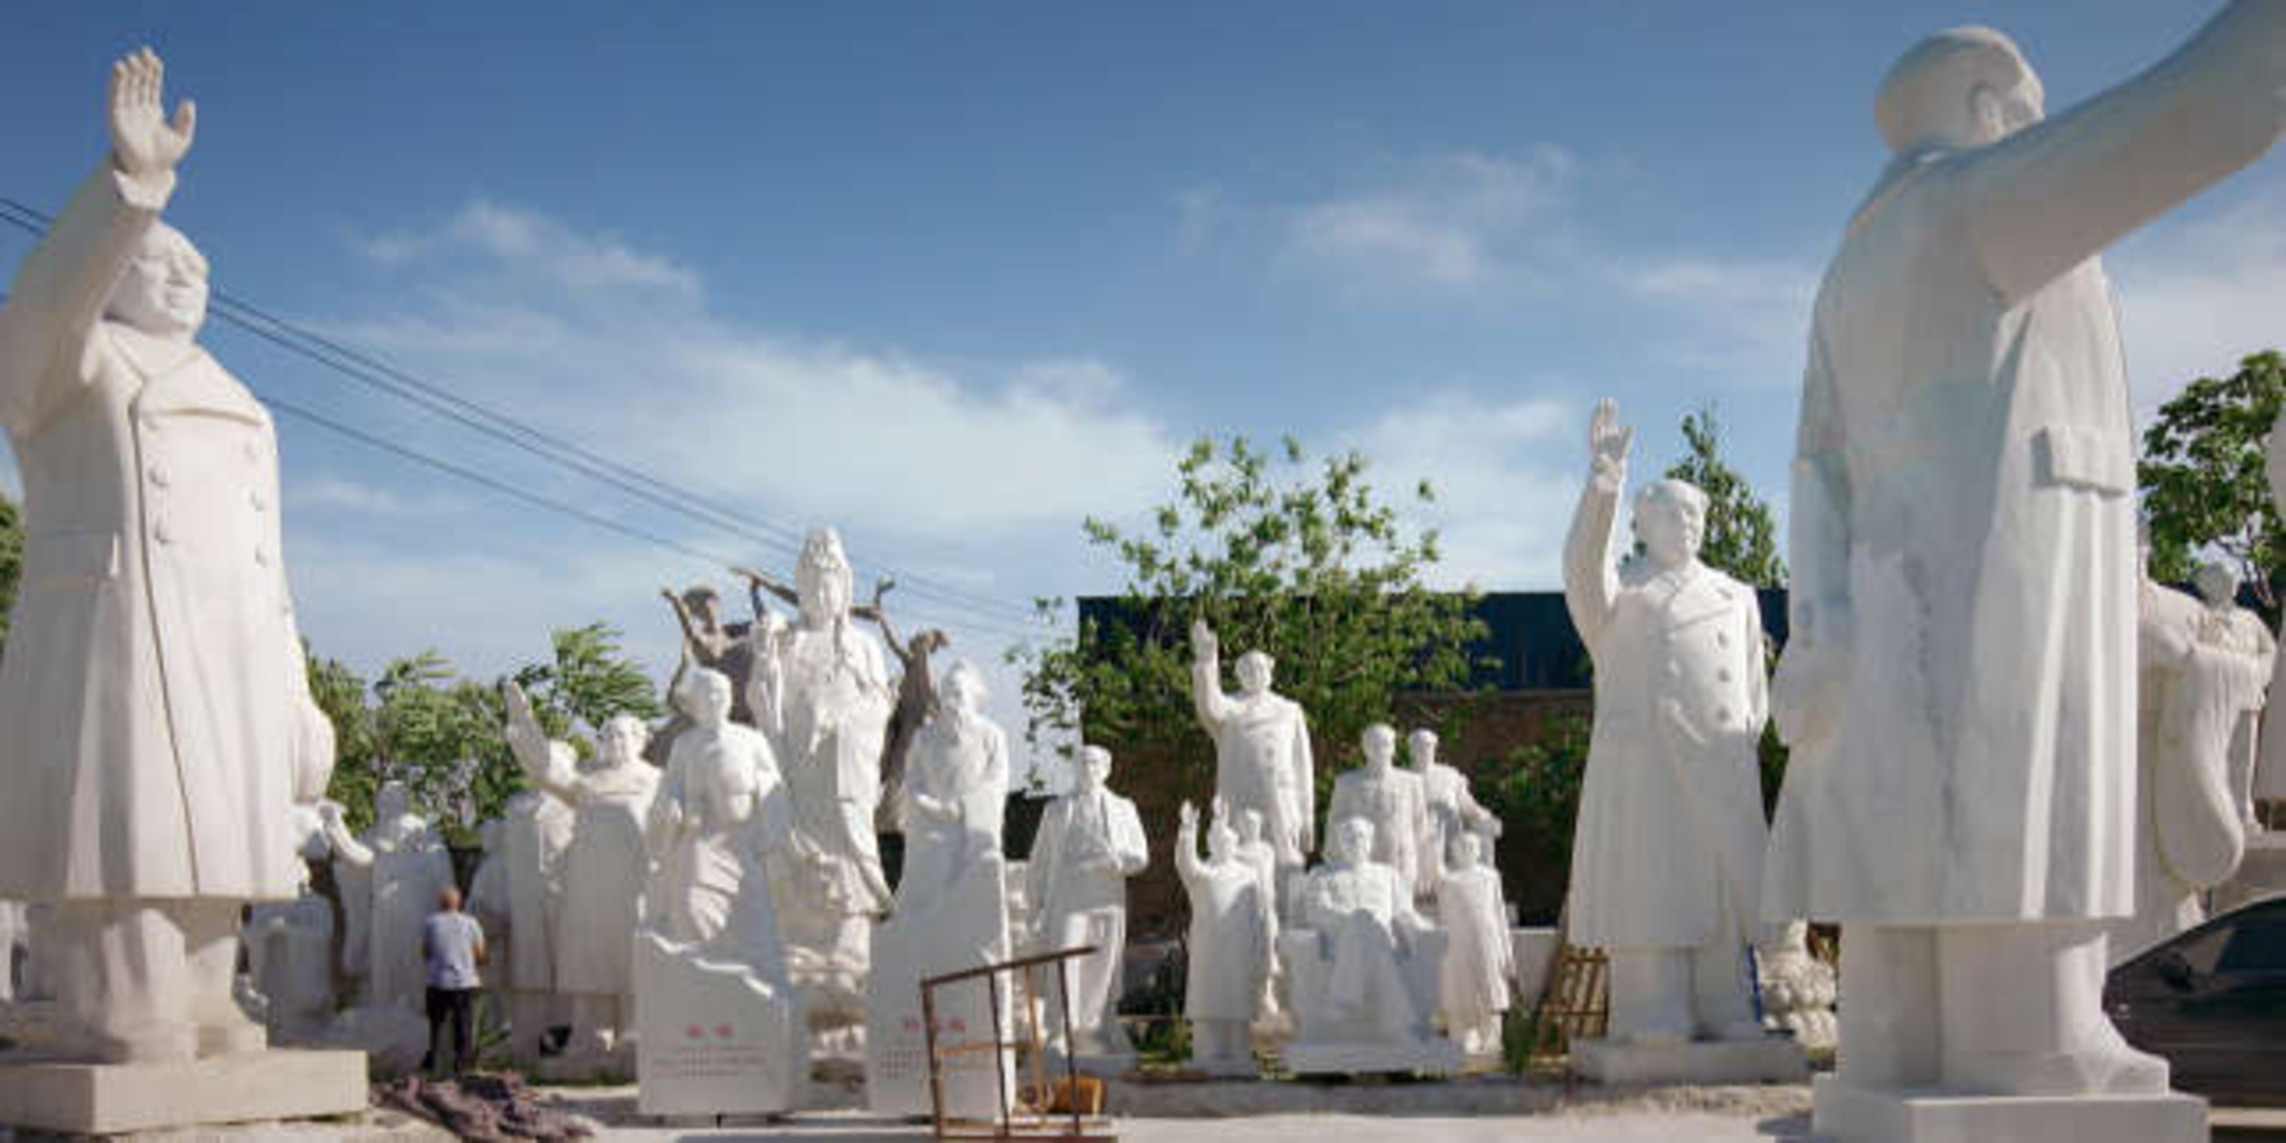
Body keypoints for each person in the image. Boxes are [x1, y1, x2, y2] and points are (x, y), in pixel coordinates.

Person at [1764, 7, 2286, 1102]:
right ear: (1985, 105)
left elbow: (1814, 467)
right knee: (2023, 784)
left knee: (1919, 810)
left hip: (1902, 582)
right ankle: (2027, 1039)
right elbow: (2206, 107)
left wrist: (1823, 615)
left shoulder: (1849, 270)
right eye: (2031, 112)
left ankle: (1896, 1042)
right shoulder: (1975, 202)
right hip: (2013, 560)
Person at [0, 48, 336, 1064]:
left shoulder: (247, 406)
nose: (188, 277)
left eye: (201, 270)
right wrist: (132, 188)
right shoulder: (73, 368)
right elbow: (42, 303)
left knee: (217, 833)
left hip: (234, 641)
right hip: (120, 623)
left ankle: (202, 993)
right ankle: (118, 1004)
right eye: (162, 262)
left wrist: (296, 690)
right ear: (113, 276)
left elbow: (273, 570)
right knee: (128, 827)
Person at [1563, 401, 1770, 1047]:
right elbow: (1581, 571)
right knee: (1653, 883)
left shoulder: (1736, 597)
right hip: (1647, 762)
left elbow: (1754, 694)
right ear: (1642, 523)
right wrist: (1603, 485)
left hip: (1718, 761)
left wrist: (1733, 752)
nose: (1688, 524)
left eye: (1695, 514)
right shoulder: (1621, 591)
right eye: (1672, 514)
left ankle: (1725, 1002)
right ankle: (1653, 1007)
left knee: (1720, 885)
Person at [1189, 620, 1315, 871]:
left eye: (1259, 668)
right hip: (1241, 796)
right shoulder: (1230, 709)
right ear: (1239, 676)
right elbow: (1208, 706)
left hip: (1282, 797)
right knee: (1240, 861)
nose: (1254, 673)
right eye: (1247, 669)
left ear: (1270, 671)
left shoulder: (1290, 710)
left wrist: (1307, 814)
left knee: (1285, 864)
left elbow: (1303, 766)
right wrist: (1206, 662)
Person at [422, 885, 487, 1076]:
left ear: (440, 903)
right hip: (464, 982)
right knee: (464, 1026)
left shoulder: (431, 922)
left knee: (435, 1026)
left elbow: (425, 952)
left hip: (438, 981)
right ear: (459, 903)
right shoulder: (471, 922)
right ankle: (463, 1067)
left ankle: (433, 1063)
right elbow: (481, 954)